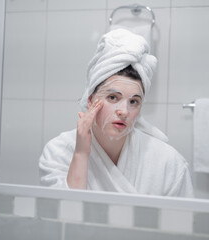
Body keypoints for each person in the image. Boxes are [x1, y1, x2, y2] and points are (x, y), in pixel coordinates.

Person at [39, 29, 194, 197]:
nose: (124, 111)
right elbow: (65, 216)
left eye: (134, 101)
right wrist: (81, 154)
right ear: (90, 100)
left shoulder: (168, 163)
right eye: (113, 97)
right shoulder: (59, 152)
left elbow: (182, 221)